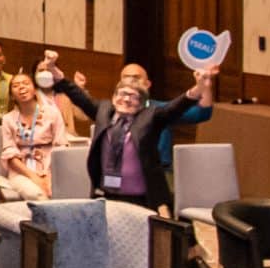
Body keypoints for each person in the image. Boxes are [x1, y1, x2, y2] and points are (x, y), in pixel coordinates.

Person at [84, 71, 216, 211]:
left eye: (136, 78)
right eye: (126, 78)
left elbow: (197, 111)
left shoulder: (156, 112)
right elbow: (83, 102)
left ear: (147, 84)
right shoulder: (109, 112)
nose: (130, 83)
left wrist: (202, 86)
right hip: (111, 188)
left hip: (157, 176)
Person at [0, 70, 64, 201]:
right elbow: (10, 154)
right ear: (12, 96)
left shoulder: (52, 113)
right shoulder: (8, 119)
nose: (21, 87)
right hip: (21, 172)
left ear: (34, 89)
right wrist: (35, 178)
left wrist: (48, 176)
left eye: (26, 83)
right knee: (36, 194)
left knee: (55, 190)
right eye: (16, 86)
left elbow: (61, 146)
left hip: (51, 167)